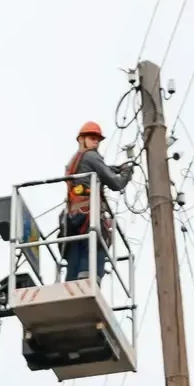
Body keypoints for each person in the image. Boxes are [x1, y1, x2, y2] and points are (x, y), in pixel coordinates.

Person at [63, 120, 133, 282]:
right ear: (82, 139)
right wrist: (126, 173)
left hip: (73, 215)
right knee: (96, 245)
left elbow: (96, 170)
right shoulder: (91, 156)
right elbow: (116, 184)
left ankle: (72, 284)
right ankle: (90, 283)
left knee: (75, 248)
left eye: (98, 139)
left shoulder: (74, 161)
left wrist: (112, 169)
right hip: (89, 215)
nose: (96, 142)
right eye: (92, 138)